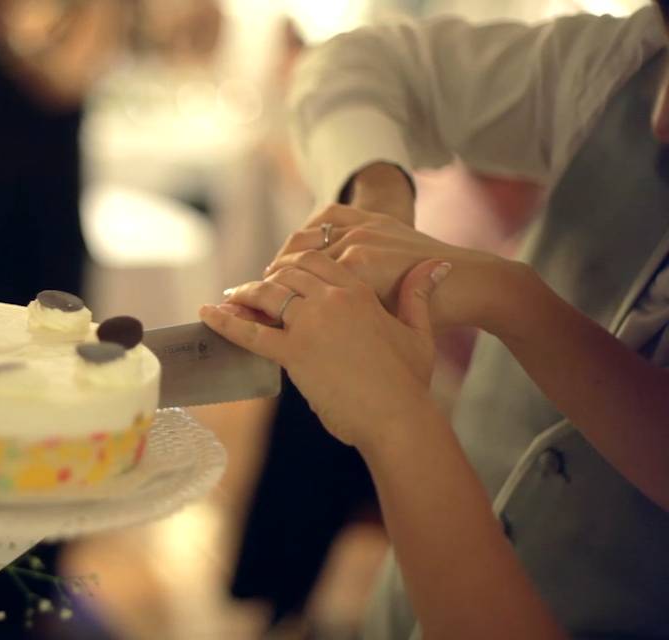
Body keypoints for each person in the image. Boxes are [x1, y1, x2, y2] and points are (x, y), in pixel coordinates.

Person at [205, 2, 669, 638]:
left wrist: (398, 417)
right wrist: (381, 196)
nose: (660, 117)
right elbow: (356, 63)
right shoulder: (622, 68)